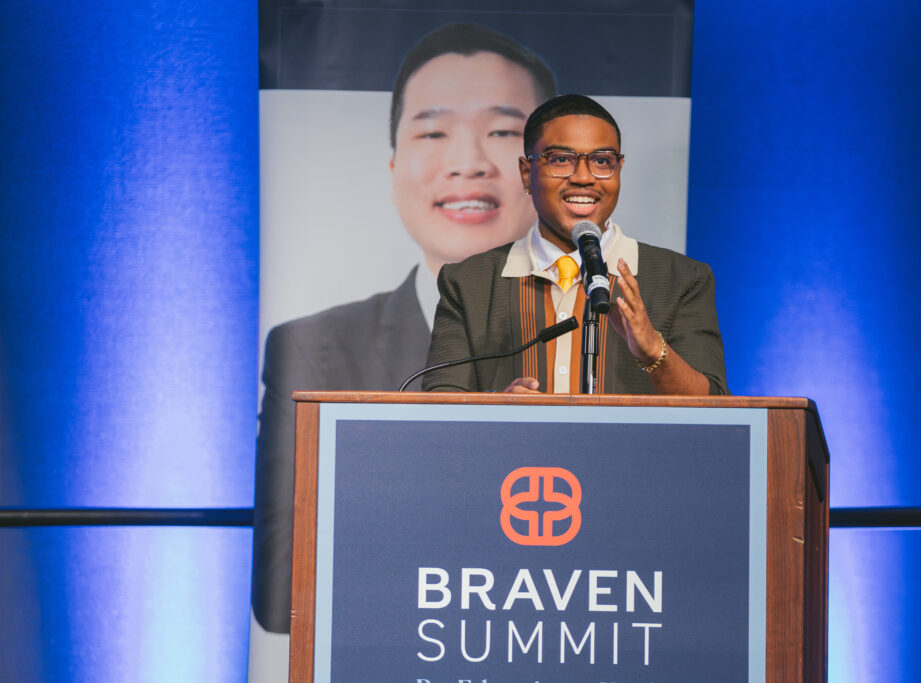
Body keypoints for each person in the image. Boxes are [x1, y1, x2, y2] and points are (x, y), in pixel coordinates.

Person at [252, 23, 557, 645]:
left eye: (503, 131)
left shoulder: (613, 338)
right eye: (433, 132)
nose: (469, 161)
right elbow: (281, 591)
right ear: (394, 169)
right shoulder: (313, 350)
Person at [423, 94, 728, 395]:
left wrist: (653, 350)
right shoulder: (469, 283)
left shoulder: (681, 280)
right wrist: (498, 407)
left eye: (601, 161)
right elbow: (440, 409)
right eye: (561, 160)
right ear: (527, 174)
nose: (583, 177)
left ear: (618, 171)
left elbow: (717, 410)